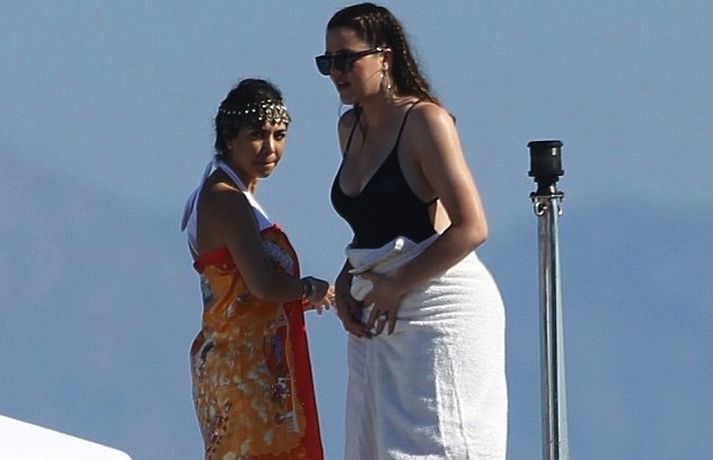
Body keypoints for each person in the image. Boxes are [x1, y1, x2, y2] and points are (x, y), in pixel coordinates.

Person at [315, 3, 507, 459]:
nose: (337, 72)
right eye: (328, 62)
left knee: (438, 442)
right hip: (378, 306)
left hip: (438, 304)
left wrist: (395, 283)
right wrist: (348, 277)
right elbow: (374, 223)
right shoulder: (349, 127)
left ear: (384, 57)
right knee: (374, 445)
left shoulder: (424, 121)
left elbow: (472, 226)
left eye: (347, 59)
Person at [181, 78, 331, 460]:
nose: (270, 148)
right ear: (229, 137)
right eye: (257, 135)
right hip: (242, 369)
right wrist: (310, 288)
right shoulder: (226, 199)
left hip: (248, 362)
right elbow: (262, 285)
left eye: (279, 135)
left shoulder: (232, 195)